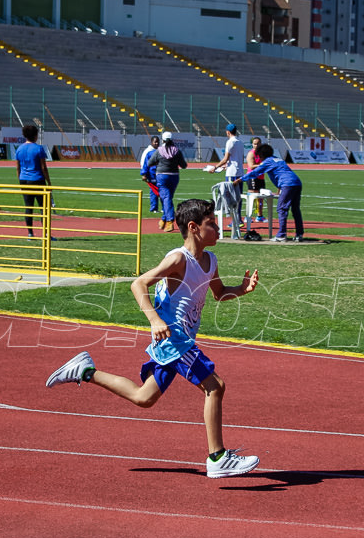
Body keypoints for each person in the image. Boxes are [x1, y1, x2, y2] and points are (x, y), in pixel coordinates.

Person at [45, 198, 261, 479]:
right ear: (194, 227)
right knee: (215, 386)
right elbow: (138, 283)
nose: (219, 228)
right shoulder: (178, 259)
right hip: (175, 339)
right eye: (212, 223)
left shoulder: (210, 260)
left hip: (177, 341)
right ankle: (217, 458)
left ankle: (85, 371)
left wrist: (242, 290)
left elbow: (219, 294)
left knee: (143, 397)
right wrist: (155, 319)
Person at [236, 143, 303, 242]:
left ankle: (281, 235)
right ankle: (299, 234)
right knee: (295, 210)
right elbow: (282, 172)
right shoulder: (278, 159)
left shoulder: (267, 162)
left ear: (262, 156)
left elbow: (255, 173)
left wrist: (240, 180)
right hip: (296, 183)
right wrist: (279, 190)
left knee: (282, 209)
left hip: (287, 184)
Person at [14, 123, 52, 238]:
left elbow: (17, 167)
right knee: (43, 207)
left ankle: (30, 233)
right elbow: (43, 167)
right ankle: (46, 234)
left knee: (28, 206)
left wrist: (20, 181)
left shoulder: (19, 149)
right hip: (37, 179)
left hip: (24, 179)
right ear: (35, 135)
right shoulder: (38, 148)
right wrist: (49, 182)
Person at [148, 131, 188, 232]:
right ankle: (163, 219)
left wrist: (158, 162)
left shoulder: (159, 151)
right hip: (174, 177)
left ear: (163, 140)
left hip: (162, 176)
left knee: (166, 198)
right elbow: (183, 165)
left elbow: (150, 163)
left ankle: (170, 221)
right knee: (168, 198)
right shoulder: (177, 151)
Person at [211, 123, 245, 226]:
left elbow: (226, 158)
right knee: (238, 196)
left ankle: (235, 220)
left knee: (230, 197)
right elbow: (237, 159)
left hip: (232, 173)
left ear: (228, 132)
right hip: (240, 172)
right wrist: (227, 165)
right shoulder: (240, 142)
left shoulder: (230, 142)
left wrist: (215, 167)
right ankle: (238, 219)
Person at [245, 136, 266, 222]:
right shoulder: (251, 153)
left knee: (260, 197)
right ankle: (248, 216)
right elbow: (251, 166)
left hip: (261, 177)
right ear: (252, 145)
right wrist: (262, 165)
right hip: (252, 177)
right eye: (254, 144)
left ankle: (259, 216)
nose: (256, 145)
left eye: (258, 144)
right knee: (252, 197)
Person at [139, 135, 161, 213]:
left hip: (161, 175)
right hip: (152, 175)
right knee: (154, 192)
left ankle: (164, 208)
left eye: (158, 142)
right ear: (151, 142)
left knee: (163, 191)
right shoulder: (148, 152)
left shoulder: (161, 151)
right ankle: (154, 208)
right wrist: (144, 174)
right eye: (155, 142)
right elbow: (144, 164)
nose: (156, 143)